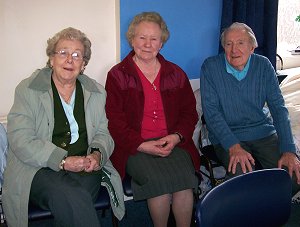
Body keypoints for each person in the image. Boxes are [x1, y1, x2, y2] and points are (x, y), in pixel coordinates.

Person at [2, 27, 124, 227]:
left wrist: (96, 154)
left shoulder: (96, 92)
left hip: (85, 166)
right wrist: (63, 161)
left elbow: (104, 132)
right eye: (63, 53)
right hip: (38, 168)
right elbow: (20, 140)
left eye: (77, 55)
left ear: (83, 64)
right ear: (51, 59)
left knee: (72, 200)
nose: (70, 59)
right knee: (72, 197)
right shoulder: (28, 89)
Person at [105, 12, 200, 227]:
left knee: (184, 183)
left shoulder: (176, 73)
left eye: (154, 38)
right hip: (135, 147)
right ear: (132, 39)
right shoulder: (118, 75)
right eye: (142, 38)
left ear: (161, 42)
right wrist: (142, 144)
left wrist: (176, 137)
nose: (147, 44)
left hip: (174, 144)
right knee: (160, 184)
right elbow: (114, 121)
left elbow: (189, 112)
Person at [200, 22, 300, 194]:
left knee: (293, 177)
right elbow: (212, 113)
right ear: (223, 47)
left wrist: (289, 149)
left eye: (240, 43)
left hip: (262, 131)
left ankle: (264, 204)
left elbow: (278, 108)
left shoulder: (263, 65)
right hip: (228, 135)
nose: (234, 50)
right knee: (243, 180)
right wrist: (233, 146)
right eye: (228, 44)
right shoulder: (210, 67)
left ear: (252, 47)